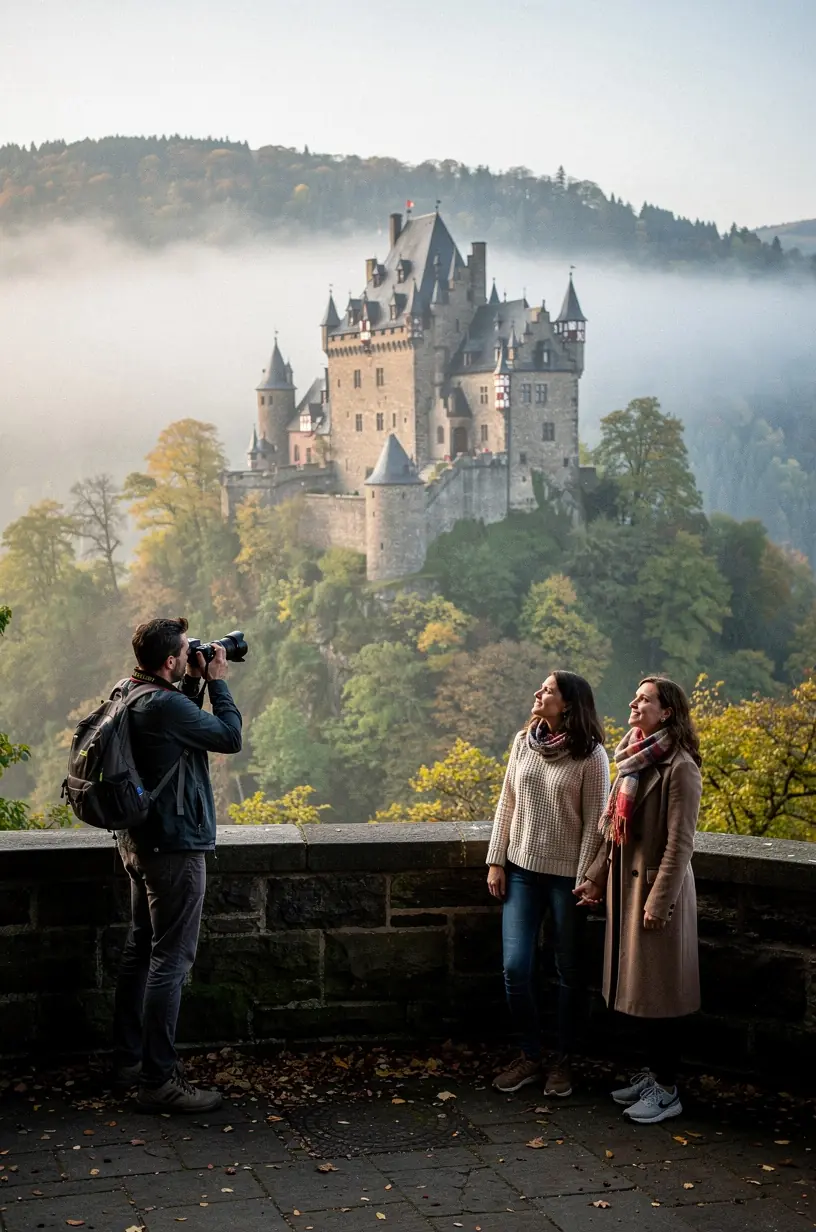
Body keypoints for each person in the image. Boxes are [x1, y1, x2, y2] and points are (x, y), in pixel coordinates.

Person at [113, 616, 242, 1113]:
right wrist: (217, 681)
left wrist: (189, 681)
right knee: (171, 959)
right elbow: (228, 737)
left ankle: (129, 1061)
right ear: (169, 660)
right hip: (174, 844)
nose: (193, 653)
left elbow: (175, 729)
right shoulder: (163, 703)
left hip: (138, 840)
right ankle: (160, 1080)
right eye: (186, 650)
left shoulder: (132, 689)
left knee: (141, 949)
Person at [575, 675, 702, 1125]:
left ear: (666, 711)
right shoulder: (634, 756)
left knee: (660, 995)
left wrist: (658, 900)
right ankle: (654, 1076)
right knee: (643, 993)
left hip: (652, 895)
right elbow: (614, 834)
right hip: (627, 890)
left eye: (644, 699)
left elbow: (680, 844)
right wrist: (594, 878)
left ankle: (668, 1091)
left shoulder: (680, 766)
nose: (633, 703)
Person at [487, 672, 610, 1098]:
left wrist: (584, 879)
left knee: (569, 972)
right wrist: (495, 861)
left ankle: (563, 1061)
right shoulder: (524, 742)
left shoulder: (592, 756)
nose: (538, 694)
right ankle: (530, 1055)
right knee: (515, 967)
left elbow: (598, 824)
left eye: (548, 691)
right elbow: (508, 801)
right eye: (539, 688)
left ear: (570, 705)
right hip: (520, 869)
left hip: (566, 879)